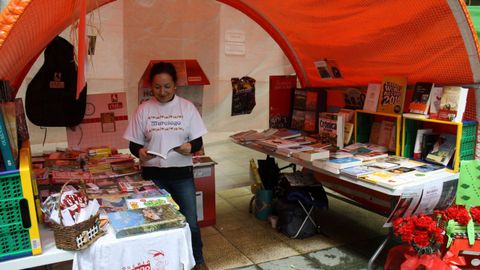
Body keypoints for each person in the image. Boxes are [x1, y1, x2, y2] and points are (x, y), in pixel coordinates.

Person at [123, 62, 208, 270]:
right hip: (153, 176)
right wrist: (139, 152)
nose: (162, 91)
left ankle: (198, 261)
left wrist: (190, 147)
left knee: (190, 222)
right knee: (155, 223)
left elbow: (198, 141)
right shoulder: (144, 109)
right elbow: (133, 143)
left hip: (181, 174)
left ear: (175, 86)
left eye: (167, 86)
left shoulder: (186, 107)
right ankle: (162, 262)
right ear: (151, 86)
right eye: (157, 87)